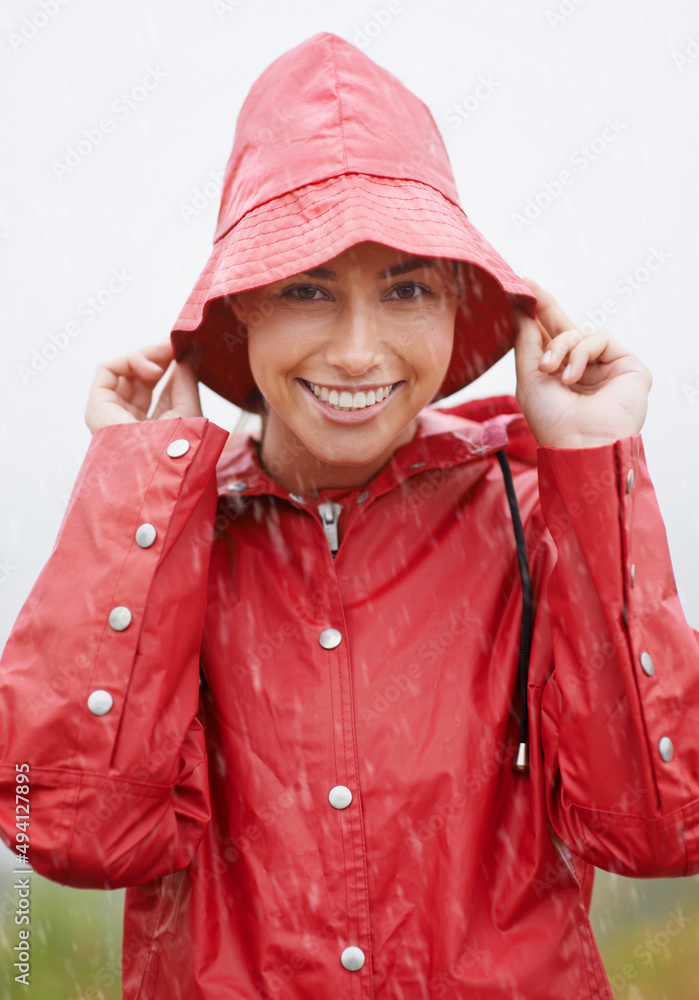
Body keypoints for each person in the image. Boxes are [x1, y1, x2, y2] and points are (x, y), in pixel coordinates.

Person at [1, 31, 698, 1000]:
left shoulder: (535, 511)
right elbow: (63, 832)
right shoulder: (160, 530)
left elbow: (659, 830)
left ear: (460, 302)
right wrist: (134, 485)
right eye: (307, 289)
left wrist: (593, 466)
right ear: (240, 314)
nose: (360, 350)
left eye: (407, 287)